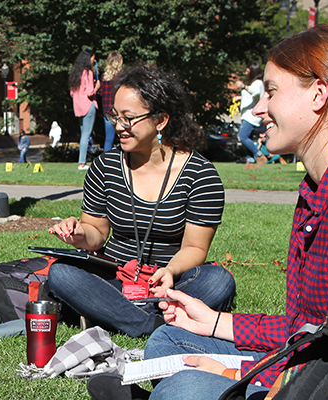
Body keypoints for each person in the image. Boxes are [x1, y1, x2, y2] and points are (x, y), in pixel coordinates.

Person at [88, 25, 328, 400]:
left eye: (271, 91)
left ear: (318, 94)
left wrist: (237, 371)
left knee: (184, 387)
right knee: (170, 338)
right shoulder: (321, 186)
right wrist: (215, 321)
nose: (258, 109)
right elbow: (309, 326)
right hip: (326, 357)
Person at [46, 66, 235, 339]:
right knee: (61, 273)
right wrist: (77, 233)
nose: (119, 126)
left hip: (173, 281)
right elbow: (96, 234)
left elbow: (195, 247)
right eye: (115, 116)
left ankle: (123, 316)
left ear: (161, 120)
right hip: (116, 278)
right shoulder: (105, 167)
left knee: (219, 281)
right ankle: (154, 322)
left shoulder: (200, 175)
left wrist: (170, 271)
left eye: (129, 118)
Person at [70, 49, 100, 170]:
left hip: (78, 106)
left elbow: (72, 93)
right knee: (86, 135)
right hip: (88, 105)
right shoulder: (88, 72)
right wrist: (96, 87)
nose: (94, 60)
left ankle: (81, 161)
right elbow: (89, 92)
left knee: (83, 134)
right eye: (93, 57)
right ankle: (82, 163)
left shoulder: (76, 73)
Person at [235, 63, 268, 168]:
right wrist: (239, 98)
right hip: (246, 115)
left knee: (242, 136)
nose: (245, 72)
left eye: (247, 70)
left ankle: (260, 155)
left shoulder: (258, 83)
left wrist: (243, 86)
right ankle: (250, 162)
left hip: (251, 116)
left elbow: (256, 93)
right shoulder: (253, 83)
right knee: (247, 137)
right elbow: (250, 97)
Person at [98, 52, 124, 152]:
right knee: (125, 137)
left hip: (107, 111)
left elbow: (101, 93)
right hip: (120, 112)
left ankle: (106, 161)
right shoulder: (122, 76)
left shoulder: (104, 77)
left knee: (108, 139)